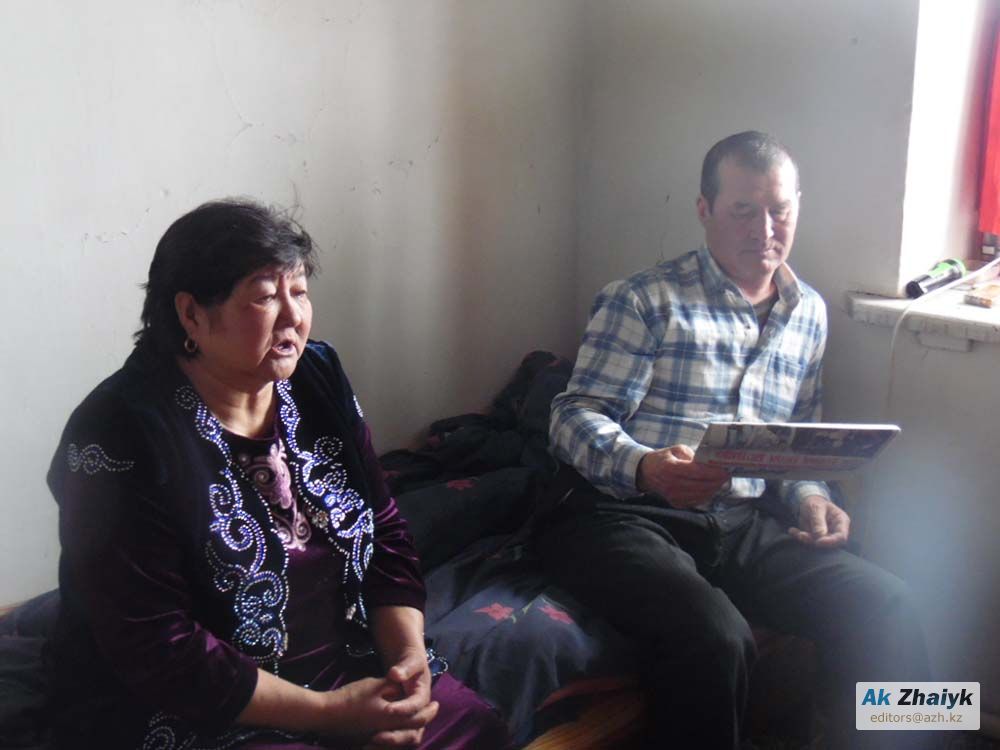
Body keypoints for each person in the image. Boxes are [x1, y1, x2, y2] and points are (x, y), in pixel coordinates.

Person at [46, 199, 510, 750]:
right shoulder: (116, 433)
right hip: (196, 702)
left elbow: (384, 529)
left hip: (343, 664)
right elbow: (155, 643)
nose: (294, 318)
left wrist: (407, 663)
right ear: (191, 314)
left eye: (300, 292)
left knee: (474, 727)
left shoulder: (317, 375)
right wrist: (331, 715)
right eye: (266, 297)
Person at [538, 132, 930, 749]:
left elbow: (796, 441)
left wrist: (811, 498)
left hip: (741, 522)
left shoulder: (808, 312)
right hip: (628, 515)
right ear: (705, 210)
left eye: (779, 211)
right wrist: (644, 466)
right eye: (743, 210)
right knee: (716, 636)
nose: (764, 230)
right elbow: (572, 415)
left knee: (890, 604)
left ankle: (905, 740)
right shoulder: (645, 299)